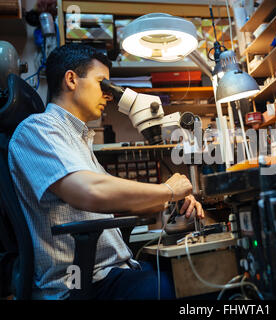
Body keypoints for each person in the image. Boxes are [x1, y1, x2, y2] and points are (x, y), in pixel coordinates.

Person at [8, 43, 205, 300]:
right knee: (185, 289)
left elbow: (118, 195)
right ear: (71, 79)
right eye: (103, 84)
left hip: (112, 274)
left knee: (195, 272)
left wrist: (174, 203)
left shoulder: (77, 141)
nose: (109, 95)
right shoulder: (37, 130)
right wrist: (167, 190)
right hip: (80, 283)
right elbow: (90, 191)